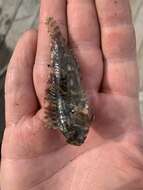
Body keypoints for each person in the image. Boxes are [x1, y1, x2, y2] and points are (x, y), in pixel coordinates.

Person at [1, 0, 143, 189]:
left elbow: (80, 108)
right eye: (80, 133)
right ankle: (55, 34)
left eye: (79, 132)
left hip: (64, 73)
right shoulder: (69, 117)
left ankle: (54, 33)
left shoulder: (73, 115)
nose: (84, 132)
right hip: (65, 73)